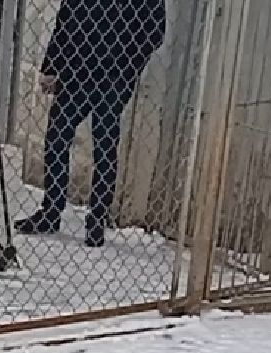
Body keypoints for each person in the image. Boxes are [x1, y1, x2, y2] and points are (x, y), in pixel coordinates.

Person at [15, 0, 166, 247]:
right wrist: (52, 66)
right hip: (77, 71)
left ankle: (96, 218)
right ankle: (51, 211)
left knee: (104, 144)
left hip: (113, 76)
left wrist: (127, 65)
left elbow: (155, 32)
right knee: (57, 137)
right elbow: (65, 20)